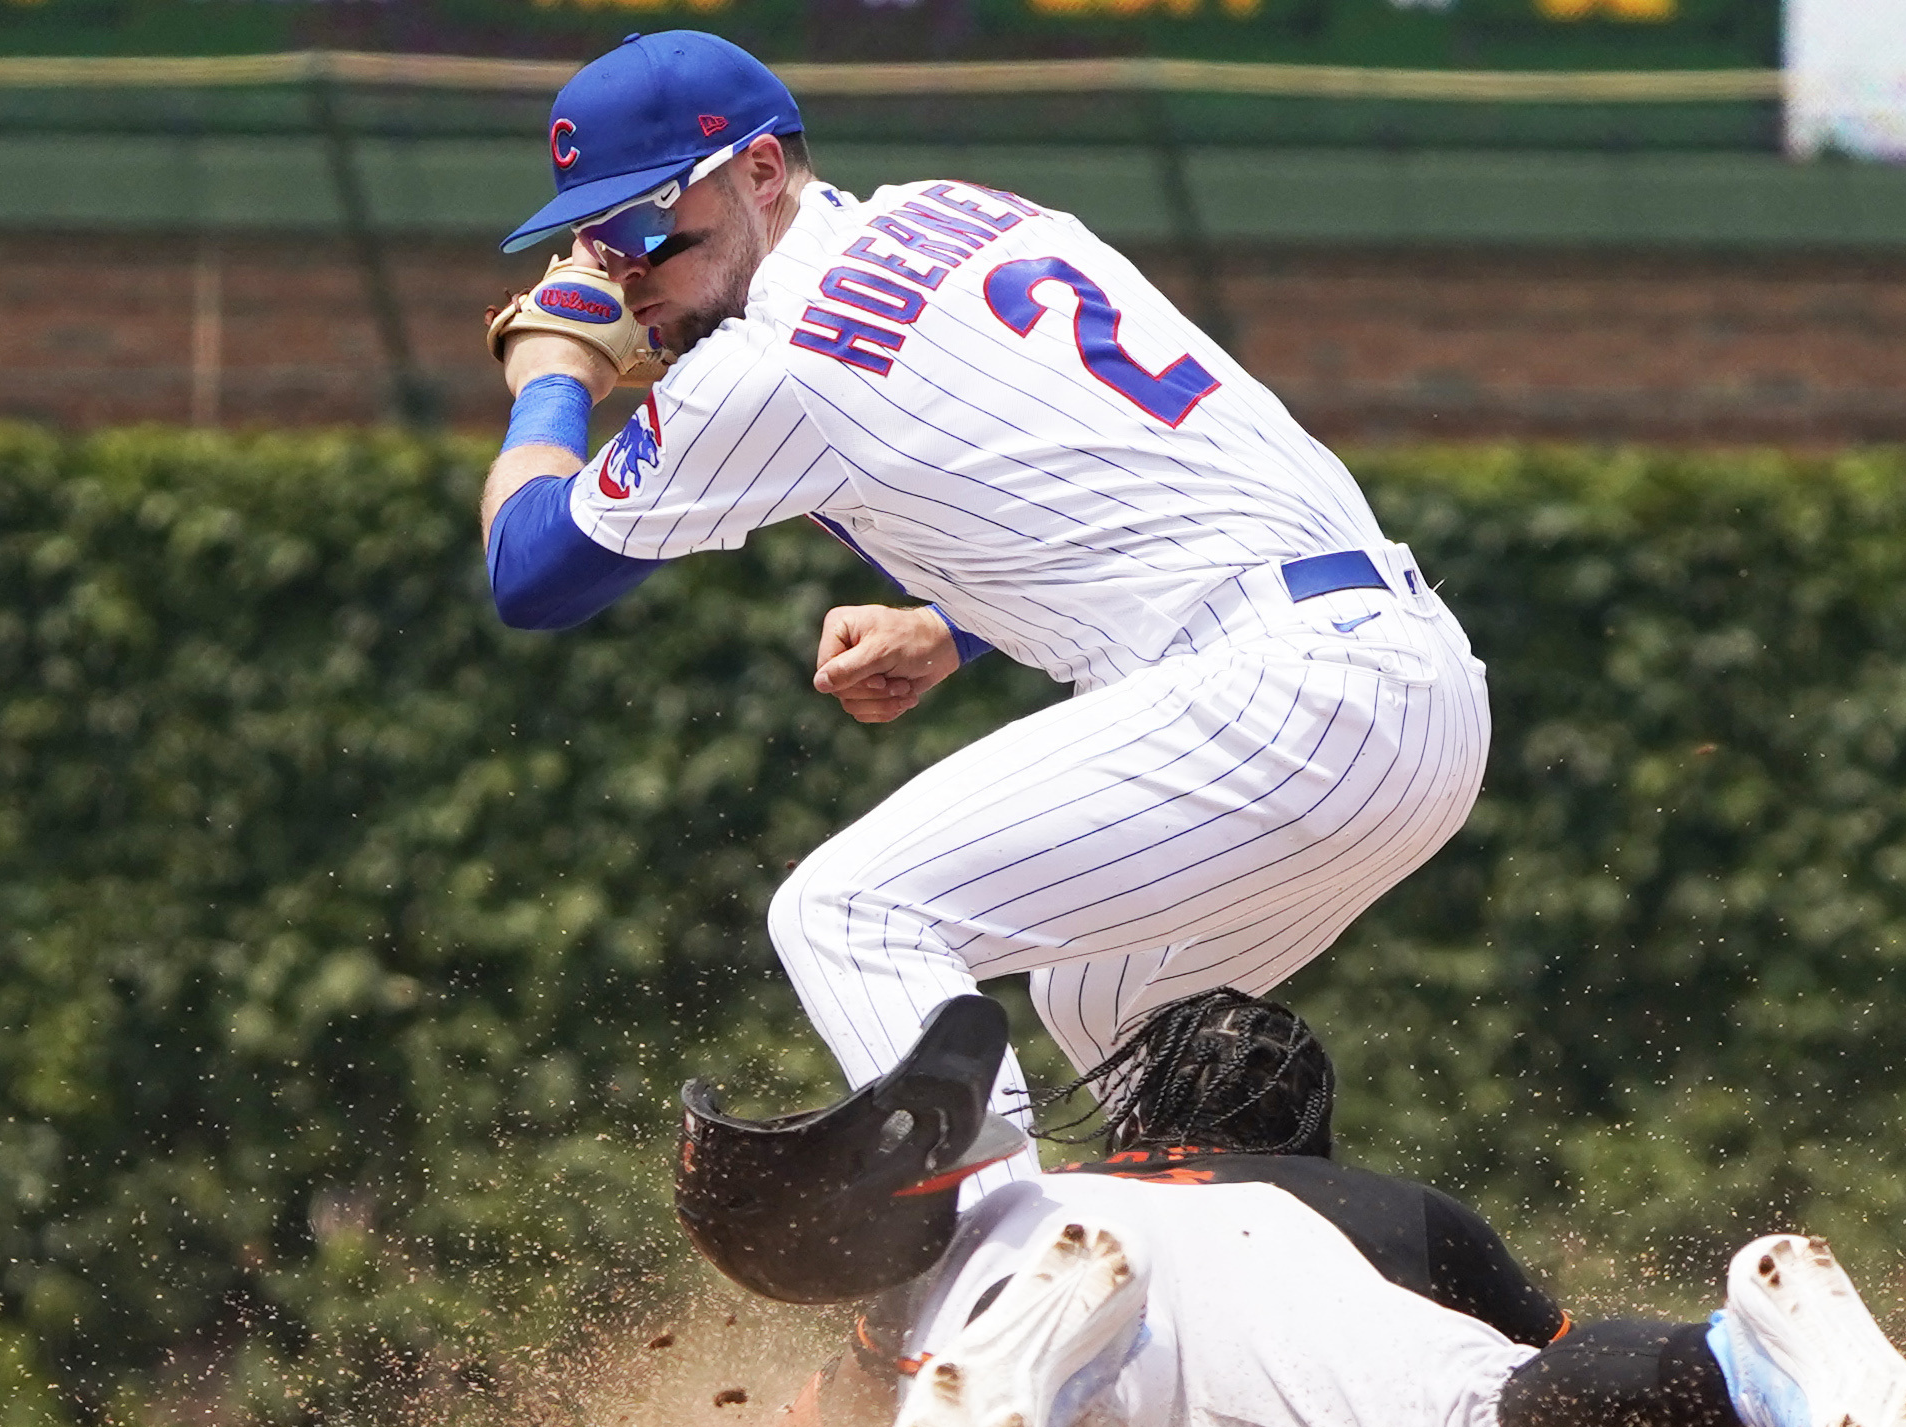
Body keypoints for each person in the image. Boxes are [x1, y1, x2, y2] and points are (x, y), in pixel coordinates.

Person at [477, 32, 1491, 1192]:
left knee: (849, 912)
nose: (624, 266)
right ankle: (1266, 1292)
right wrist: (950, 622)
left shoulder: (765, 361)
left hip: (1280, 693)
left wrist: (551, 372)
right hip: (1403, 688)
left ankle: (1005, 1276)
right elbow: (1099, 479)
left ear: (761, 174)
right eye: (596, 238)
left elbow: (531, 569)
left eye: (650, 223)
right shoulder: (967, 213)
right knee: (1103, 999)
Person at [870, 990, 1906, 1427]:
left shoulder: (1032, 1188)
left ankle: (1064, 1361)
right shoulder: (1383, 1206)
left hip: (1050, 1236)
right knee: (1489, 1423)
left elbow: (842, 1396)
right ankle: (1737, 1358)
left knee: (1036, 1400)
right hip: (1292, 1281)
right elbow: (1559, 1386)